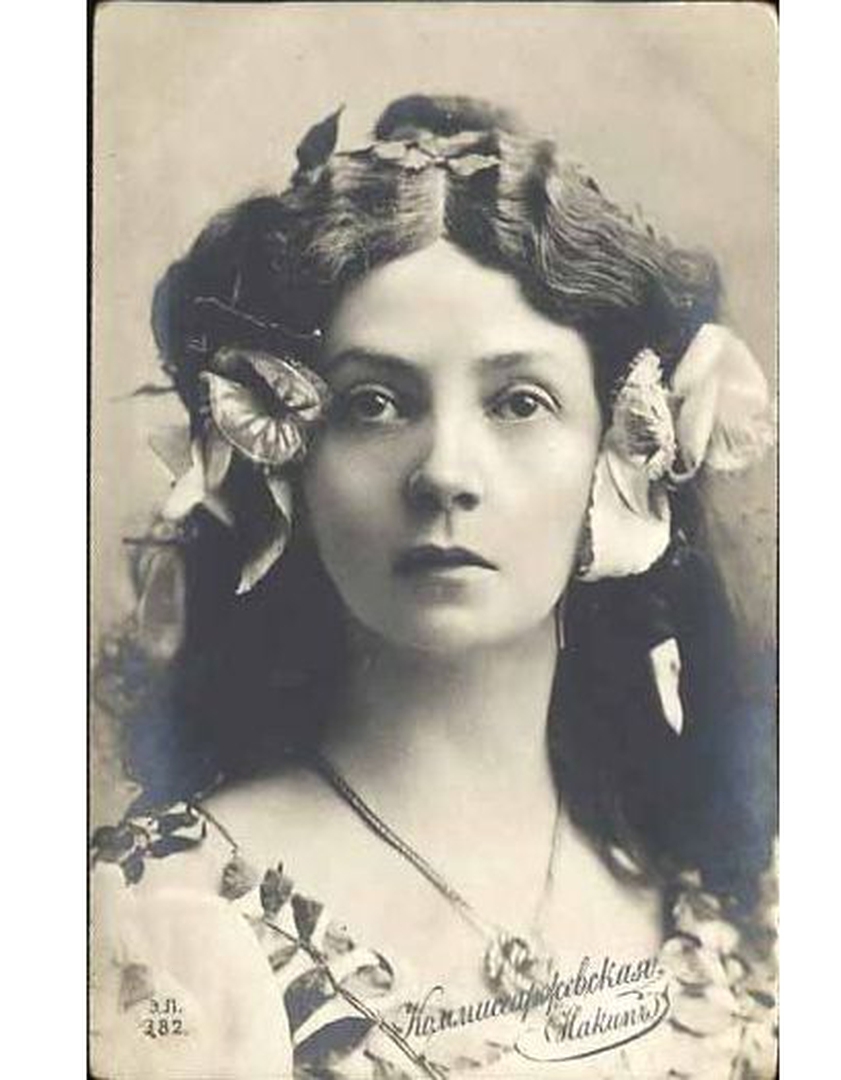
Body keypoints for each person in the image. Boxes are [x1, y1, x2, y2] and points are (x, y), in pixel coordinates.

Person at [90, 95, 777, 1079]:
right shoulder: (162, 917)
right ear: (284, 461)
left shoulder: (732, 911)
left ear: (627, 448)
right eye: (373, 403)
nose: (444, 472)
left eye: (519, 402)